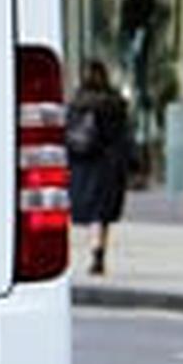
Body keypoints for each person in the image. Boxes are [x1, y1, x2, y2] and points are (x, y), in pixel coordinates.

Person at [66, 59, 133, 276]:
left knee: (89, 210)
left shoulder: (76, 103)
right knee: (101, 215)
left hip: (84, 164)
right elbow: (124, 137)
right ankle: (98, 252)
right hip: (108, 165)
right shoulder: (115, 104)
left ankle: (91, 250)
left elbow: (67, 135)